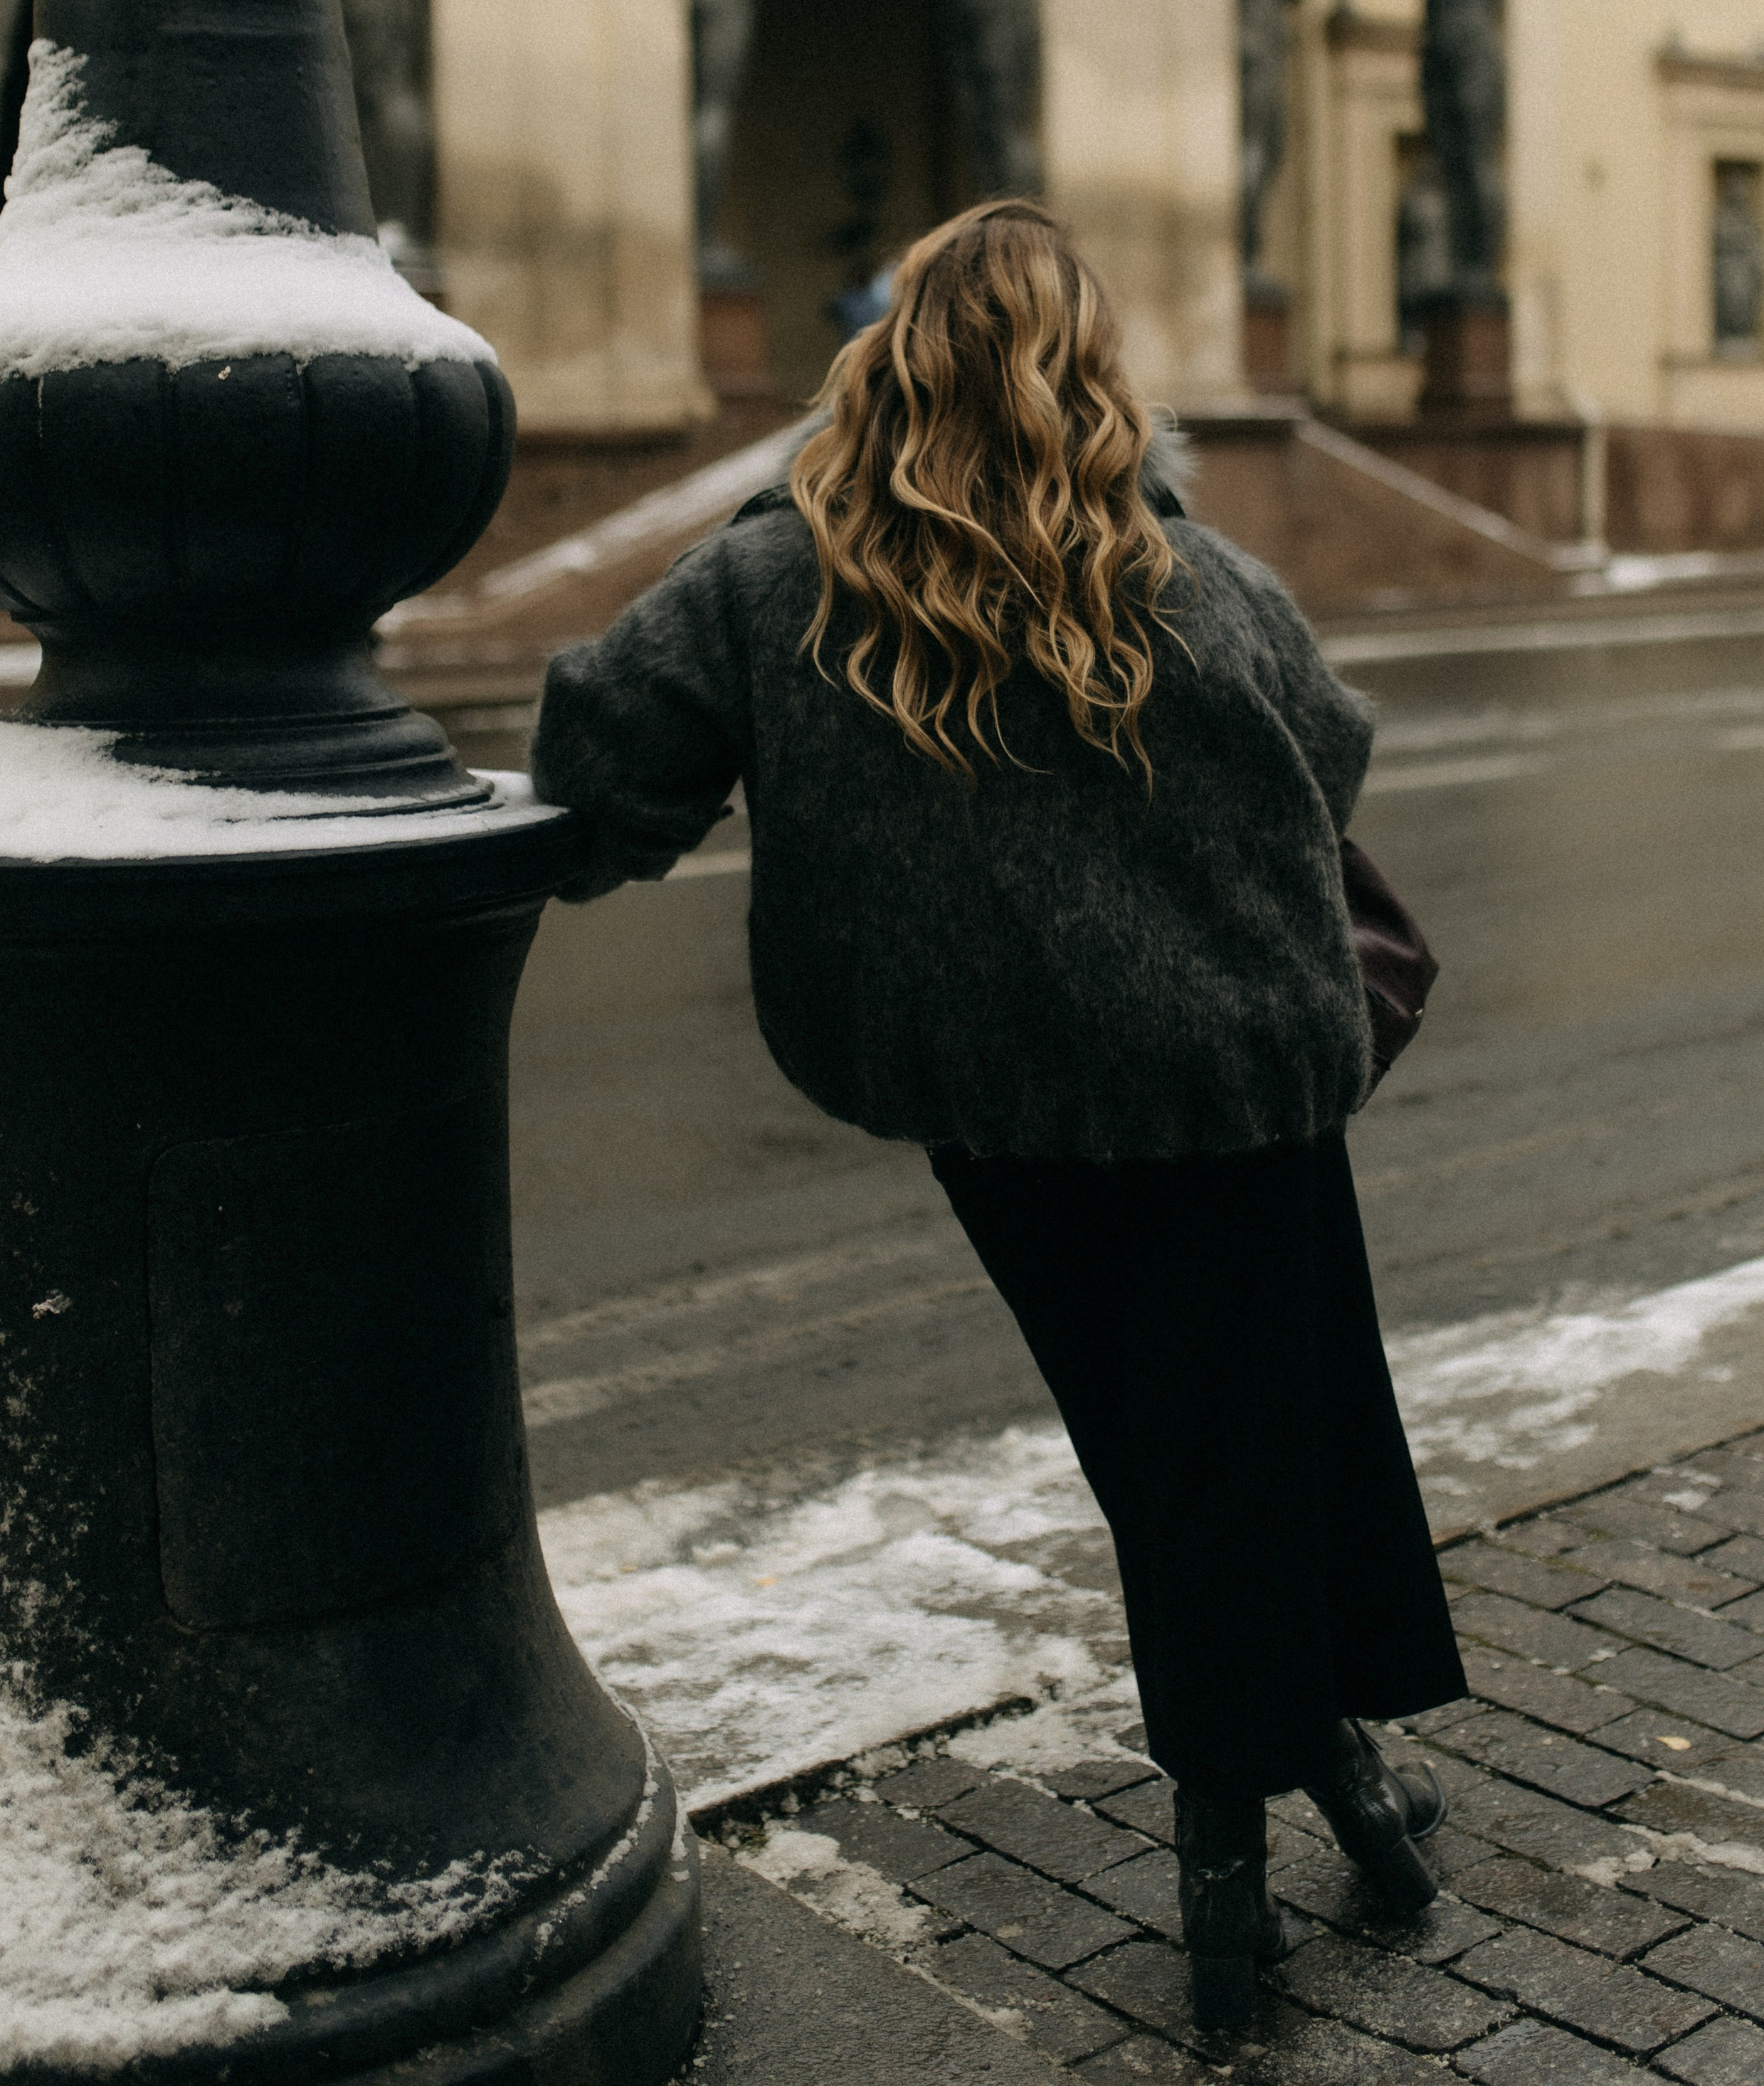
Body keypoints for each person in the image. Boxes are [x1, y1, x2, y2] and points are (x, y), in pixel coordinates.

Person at [529, 197, 1467, 2033]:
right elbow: (1332, 755)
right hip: (1240, 1089)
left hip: (1001, 1108)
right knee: (1257, 1445)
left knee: (1165, 1454)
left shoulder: (775, 581)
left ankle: (1320, 1797)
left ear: (885, 367)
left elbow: (600, 756)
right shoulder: (1197, 576)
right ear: (1092, 373)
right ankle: (1244, 1865)